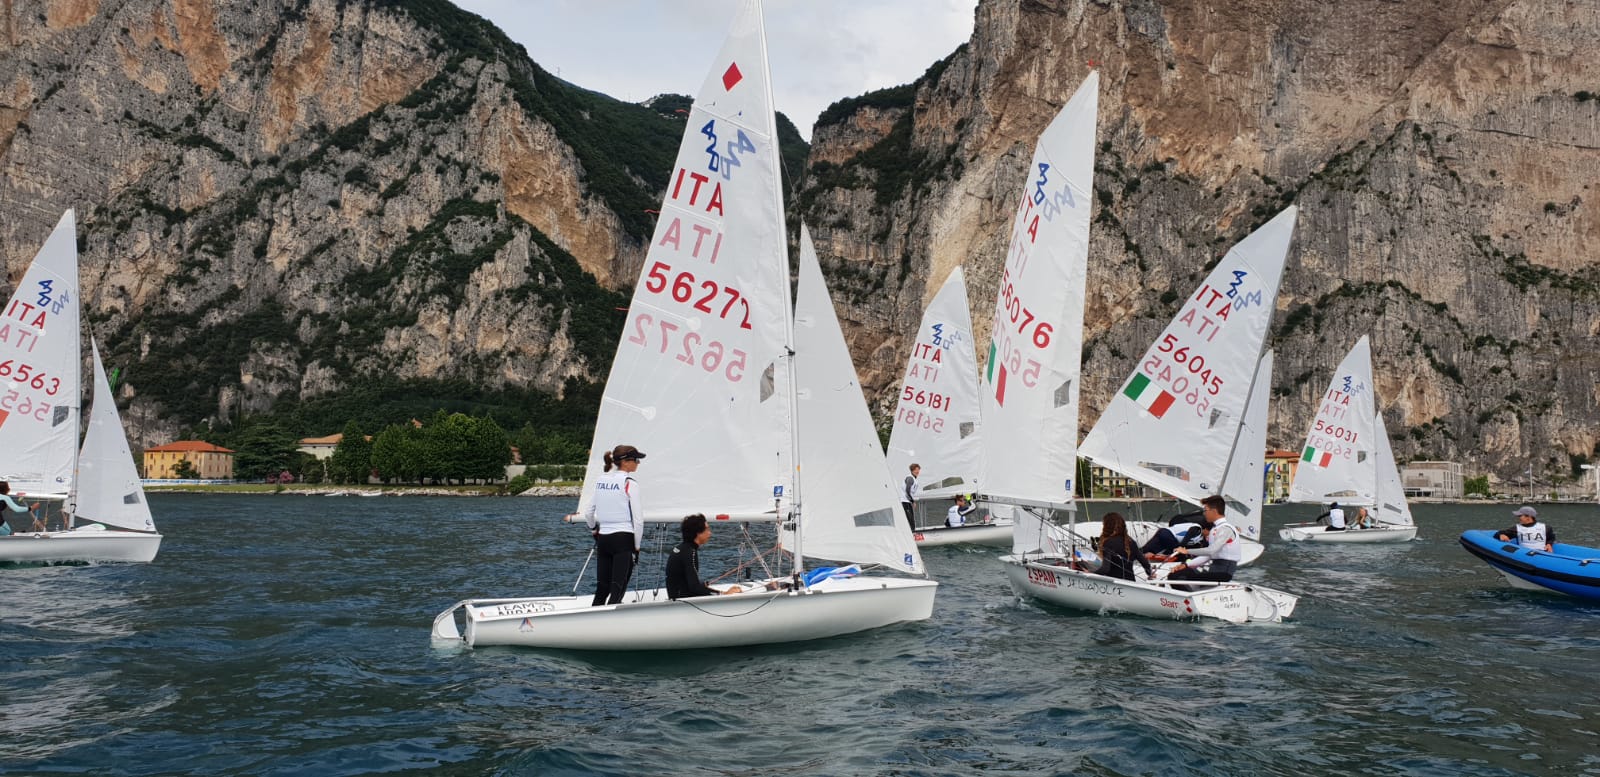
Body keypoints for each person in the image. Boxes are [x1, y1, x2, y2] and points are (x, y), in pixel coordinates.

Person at [584, 444, 646, 606]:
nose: (638, 463)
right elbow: (638, 521)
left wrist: (594, 530)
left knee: (602, 589)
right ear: (625, 462)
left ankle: (591, 623)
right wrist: (637, 547)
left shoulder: (601, 480)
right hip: (623, 540)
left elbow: (588, 513)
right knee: (617, 590)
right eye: (636, 460)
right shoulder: (630, 483)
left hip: (603, 540)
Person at [1167, 495, 1242, 589]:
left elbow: (1211, 551)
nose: (1204, 513)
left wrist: (1187, 551)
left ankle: (1188, 600)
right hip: (1215, 569)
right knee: (1175, 574)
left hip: (1224, 572)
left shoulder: (1226, 529)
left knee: (1176, 576)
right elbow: (1208, 555)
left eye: (1205, 510)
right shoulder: (1215, 529)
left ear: (1214, 511)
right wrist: (1185, 565)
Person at [665, 514, 738, 599]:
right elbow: (694, 588)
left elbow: (686, 584)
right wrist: (723, 594)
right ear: (698, 533)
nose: (710, 533)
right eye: (707, 529)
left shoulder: (680, 548)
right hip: (682, 604)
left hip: (678, 597)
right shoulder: (689, 553)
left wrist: (702, 586)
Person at [1072, 512, 1152, 582]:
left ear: (1107, 526)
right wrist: (1150, 574)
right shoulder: (1131, 542)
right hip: (1130, 582)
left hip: (1113, 585)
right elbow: (1145, 563)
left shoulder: (1108, 543)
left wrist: (1091, 574)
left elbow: (1106, 569)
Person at [1141, 513, 1206, 561]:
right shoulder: (1197, 528)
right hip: (1168, 535)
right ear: (1205, 529)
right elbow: (1187, 538)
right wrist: (1181, 547)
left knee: (1146, 550)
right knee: (1180, 556)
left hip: (1163, 532)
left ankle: (1134, 556)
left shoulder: (1200, 538)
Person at [901, 463, 921, 528]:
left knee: (911, 521)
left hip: (908, 502)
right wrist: (913, 502)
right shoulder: (910, 478)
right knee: (911, 522)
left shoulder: (914, 478)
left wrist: (911, 501)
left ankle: (912, 534)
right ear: (912, 470)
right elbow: (907, 491)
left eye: (918, 469)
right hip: (905, 502)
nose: (917, 471)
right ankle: (912, 535)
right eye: (915, 469)